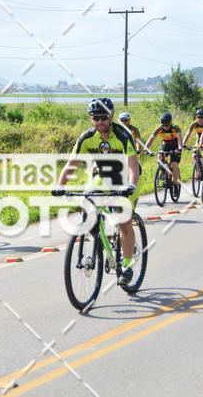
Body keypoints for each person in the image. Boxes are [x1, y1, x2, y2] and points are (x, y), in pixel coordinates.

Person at [53, 98, 140, 286]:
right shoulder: (86, 138)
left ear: (111, 116)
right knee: (85, 200)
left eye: (103, 117)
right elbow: (71, 164)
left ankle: (127, 266)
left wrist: (131, 185)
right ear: (90, 118)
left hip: (125, 178)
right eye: (95, 118)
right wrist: (60, 185)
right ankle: (98, 234)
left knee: (124, 220)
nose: (99, 122)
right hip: (104, 176)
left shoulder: (123, 135)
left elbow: (133, 165)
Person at [144, 112, 183, 187]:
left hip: (175, 146)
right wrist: (145, 149)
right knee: (160, 157)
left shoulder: (175, 128)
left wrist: (179, 148)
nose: (165, 127)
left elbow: (179, 138)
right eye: (163, 125)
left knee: (174, 164)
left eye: (167, 125)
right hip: (166, 144)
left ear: (170, 122)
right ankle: (165, 173)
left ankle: (176, 184)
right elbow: (151, 139)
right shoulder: (160, 129)